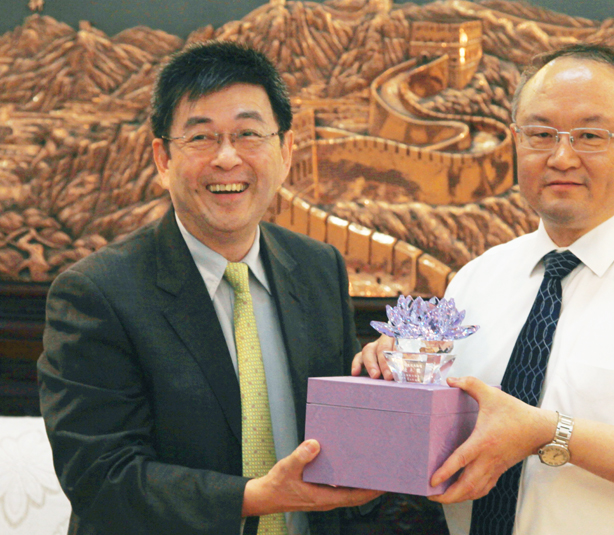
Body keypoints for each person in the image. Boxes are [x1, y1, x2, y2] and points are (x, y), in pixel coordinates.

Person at [352, 43, 614, 535]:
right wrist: (397, 373)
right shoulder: (476, 280)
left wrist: (549, 432)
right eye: (541, 134)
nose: (562, 157)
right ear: (516, 141)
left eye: (590, 135)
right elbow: (442, 431)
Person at [38, 41, 381, 535]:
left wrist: (386, 379)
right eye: (201, 137)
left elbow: (343, 433)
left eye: (248, 134)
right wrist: (256, 498)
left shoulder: (318, 268)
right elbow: (102, 479)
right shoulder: (96, 294)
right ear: (162, 158)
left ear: (286, 151)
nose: (226, 158)